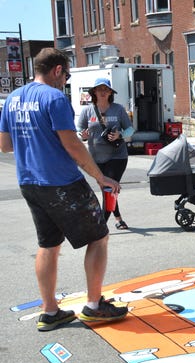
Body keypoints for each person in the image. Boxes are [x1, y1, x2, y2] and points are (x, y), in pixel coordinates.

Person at [0, 48, 128, 331]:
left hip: (29, 182)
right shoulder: (55, 98)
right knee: (99, 237)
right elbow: (73, 145)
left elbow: (5, 146)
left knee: (48, 244)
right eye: (66, 75)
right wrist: (100, 177)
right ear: (57, 70)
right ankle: (94, 306)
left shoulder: (12, 99)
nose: (66, 80)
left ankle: (50, 311)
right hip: (61, 182)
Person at [77, 78, 134, 229]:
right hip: (96, 158)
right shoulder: (87, 111)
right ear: (94, 92)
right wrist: (82, 135)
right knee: (107, 190)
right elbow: (78, 131)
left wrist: (119, 135)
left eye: (106, 89)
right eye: (99, 89)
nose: (103, 92)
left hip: (117, 156)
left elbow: (130, 129)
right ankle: (118, 219)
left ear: (110, 93)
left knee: (109, 189)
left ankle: (99, 226)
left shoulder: (118, 109)